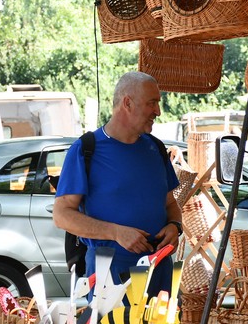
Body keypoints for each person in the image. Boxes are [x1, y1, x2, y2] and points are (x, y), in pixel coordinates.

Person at [53, 71, 183, 294]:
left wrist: (175, 227)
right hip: (110, 276)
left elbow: (170, 204)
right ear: (127, 103)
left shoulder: (156, 148)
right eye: (152, 103)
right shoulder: (86, 149)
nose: (158, 111)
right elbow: (62, 215)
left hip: (159, 271)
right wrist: (116, 232)